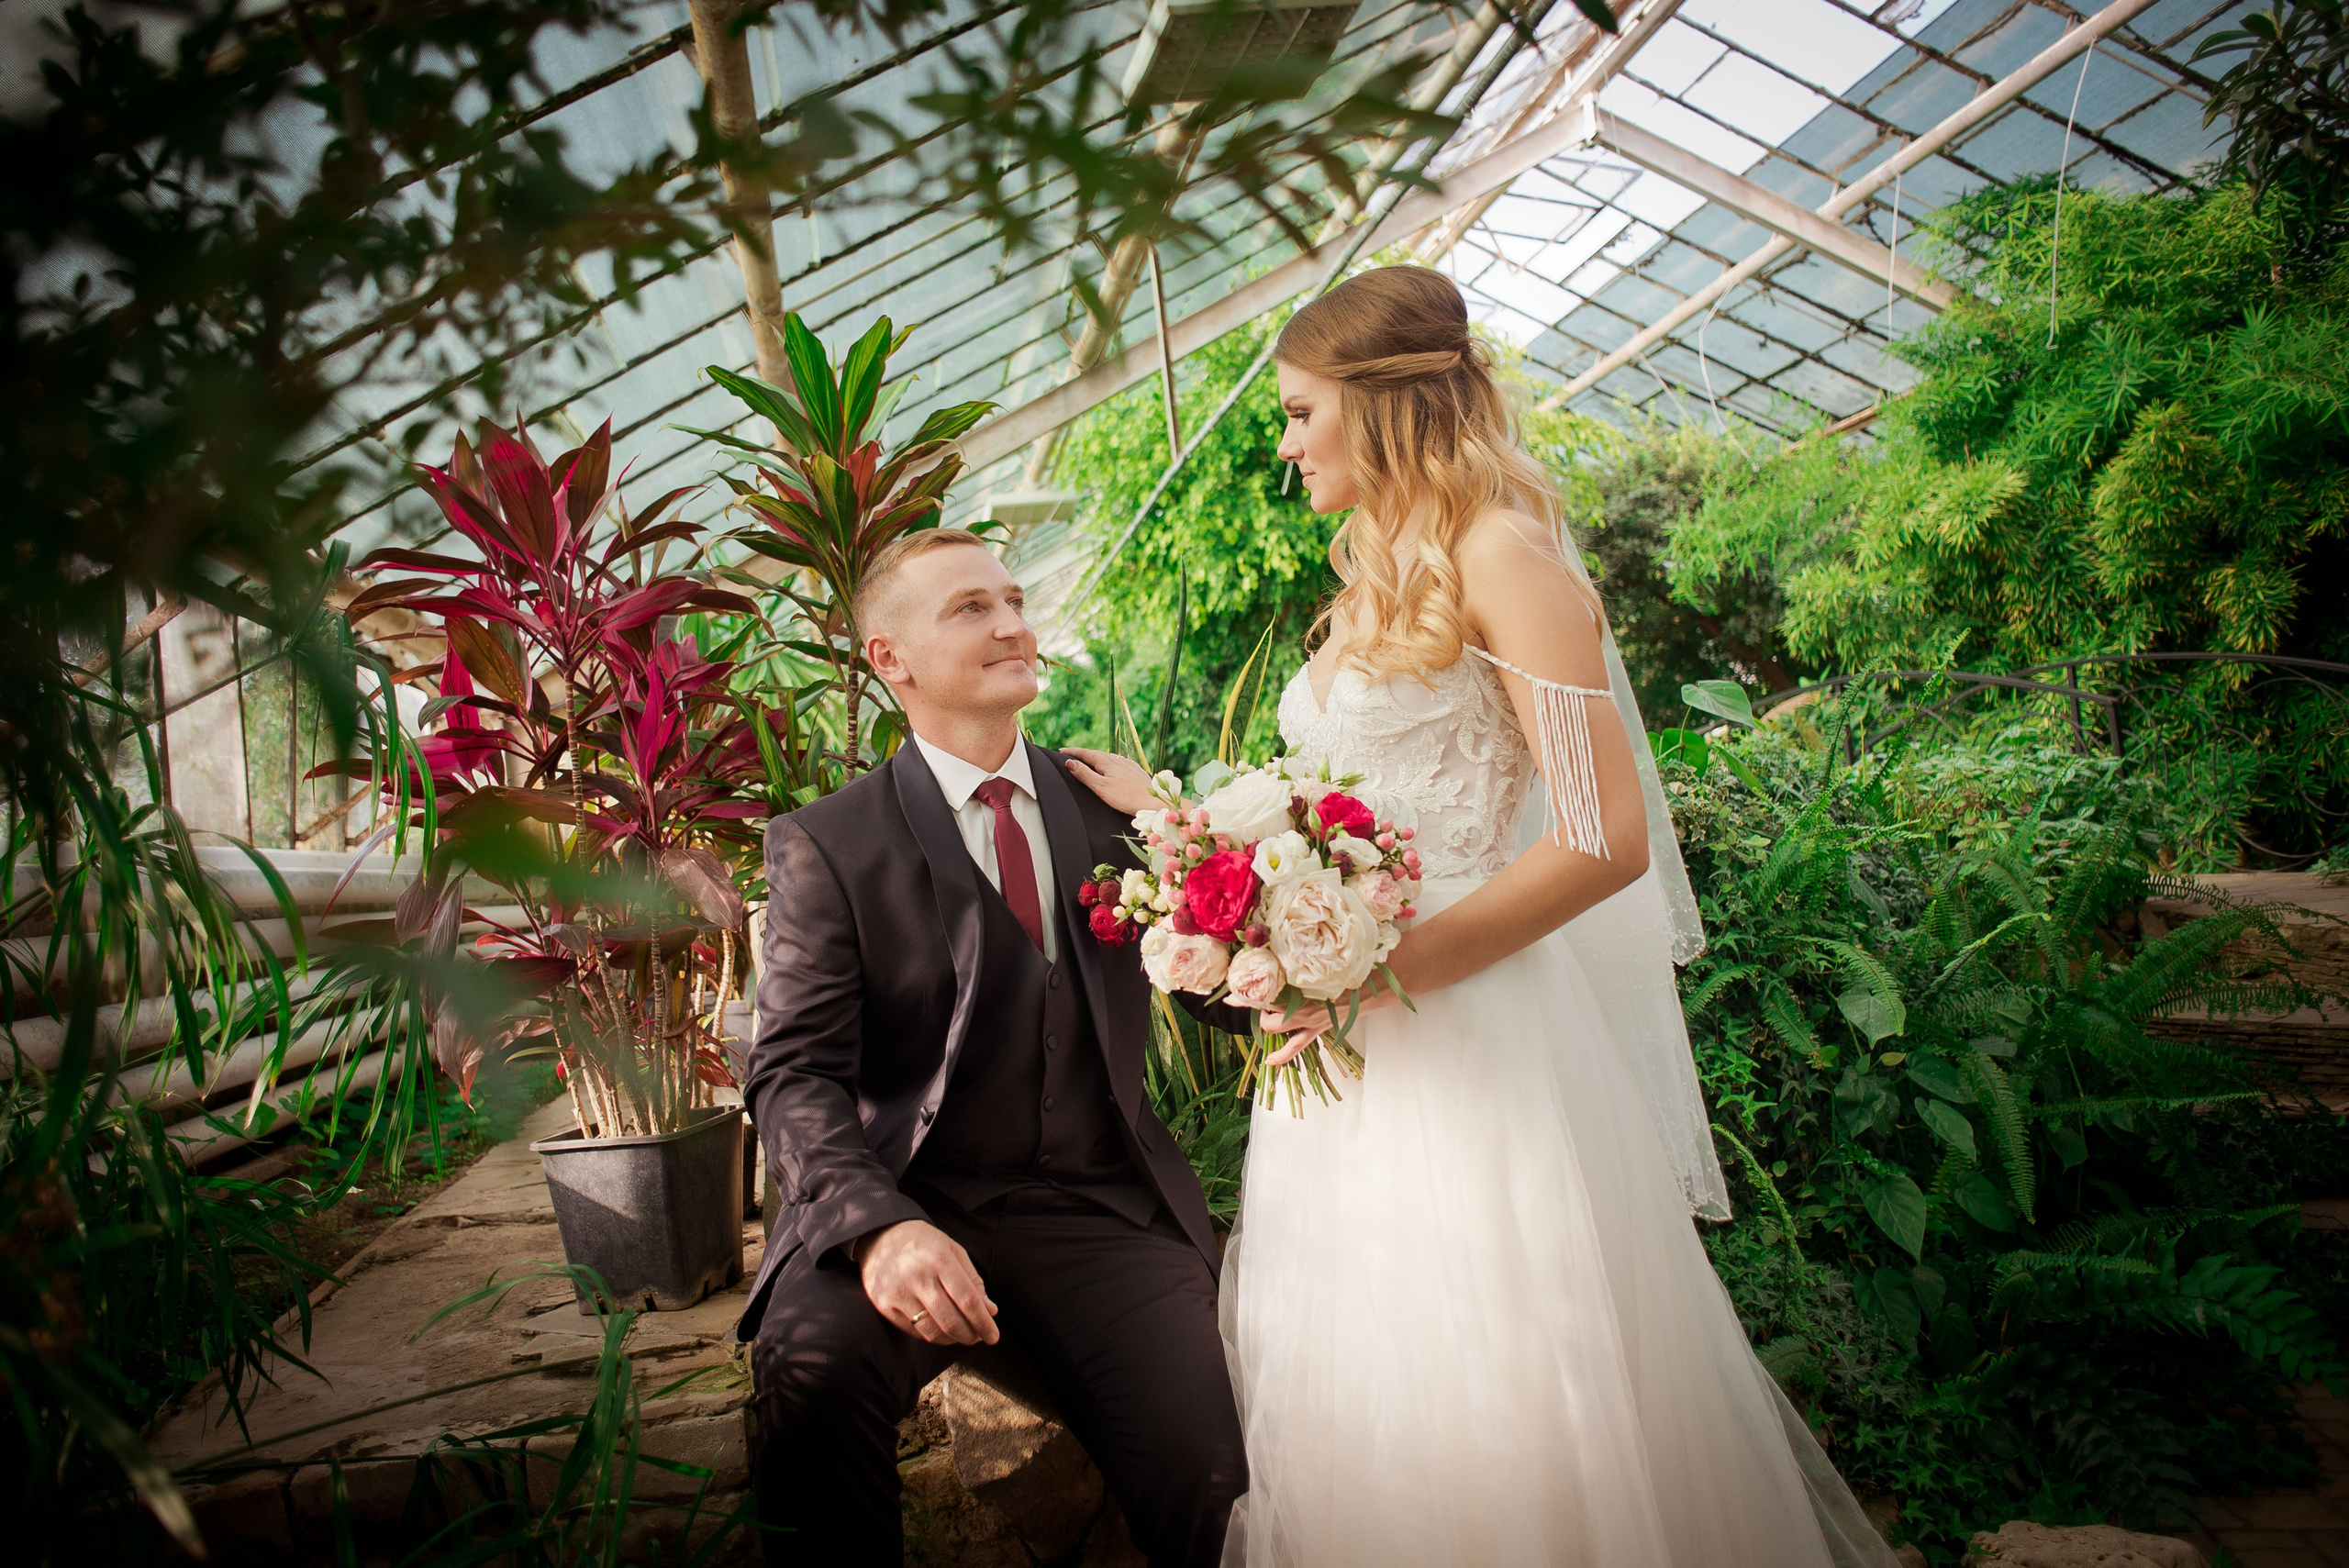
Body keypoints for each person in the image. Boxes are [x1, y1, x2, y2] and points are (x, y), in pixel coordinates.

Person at [1063, 266, 1902, 1568]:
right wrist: (1175, 819)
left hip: (1474, 1042)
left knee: (1505, 1383)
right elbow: (1342, 805)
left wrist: (1370, 977)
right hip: (1356, 1063)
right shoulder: (1381, 570)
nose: (1283, 444)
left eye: (1297, 413)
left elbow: (1603, 836)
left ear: (1384, 406)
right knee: (1368, 1377)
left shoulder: (1505, 555)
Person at [740, 528, 1247, 1567]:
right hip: (909, 1195)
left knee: (1213, 1471)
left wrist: (1187, 842)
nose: (1013, 622)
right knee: (808, 1377)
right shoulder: (826, 843)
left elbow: (1238, 1006)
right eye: (970, 607)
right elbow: (792, 1073)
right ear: (891, 660)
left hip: (1099, 1210)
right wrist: (877, 1231)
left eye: (1013, 599)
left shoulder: (1117, 816)